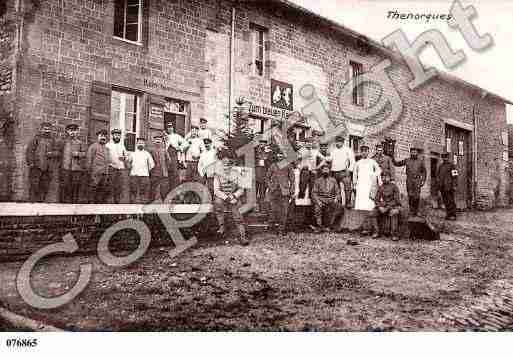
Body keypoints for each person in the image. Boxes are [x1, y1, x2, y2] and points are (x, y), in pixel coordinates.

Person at [213, 151, 248, 245]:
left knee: (238, 215)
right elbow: (216, 190)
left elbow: (241, 189)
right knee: (217, 202)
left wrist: (234, 196)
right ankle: (221, 226)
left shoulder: (237, 173)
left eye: (228, 164)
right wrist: (227, 198)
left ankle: (242, 237)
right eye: (224, 164)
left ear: (232, 165)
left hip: (234, 196)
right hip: (223, 197)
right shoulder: (217, 174)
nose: (226, 167)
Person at [26, 122, 62, 202]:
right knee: (34, 185)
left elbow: (58, 152)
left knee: (45, 185)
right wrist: (31, 163)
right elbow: (29, 151)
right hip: (36, 166)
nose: (47, 131)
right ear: (41, 129)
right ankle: (32, 202)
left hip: (47, 168)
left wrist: (52, 153)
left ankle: (41, 202)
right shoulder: (36, 139)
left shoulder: (53, 140)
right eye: (45, 129)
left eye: (49, 129)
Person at [353, 145, 381, 235]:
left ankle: (372, 228)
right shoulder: (358, 163)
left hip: (369, 186)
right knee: (362, 208)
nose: (364, 152)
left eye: (366, 151)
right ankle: (364, 228)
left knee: (369, 207)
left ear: (368, 152)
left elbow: (379, 170)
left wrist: (373, 175)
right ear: (361, 152)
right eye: (362, 151)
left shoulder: (372, 162)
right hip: (361, 186)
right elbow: (355, 174)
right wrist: (355, 185)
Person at [266, 150, 295, 235]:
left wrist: (292, 190)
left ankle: (281, 230)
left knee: (284, 211)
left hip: (285, 191)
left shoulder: (288, 165)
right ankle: (272, 227)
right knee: (274, 210)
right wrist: (271, 186)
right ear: (276, 156)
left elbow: (292, 179)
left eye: (281, 155)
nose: (280, 156)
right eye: (279, 154)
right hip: (274, 191)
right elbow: (267, 178)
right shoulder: (273, 166)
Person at [393, 147, 427, 217]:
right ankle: (411, 211)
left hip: (417, 180)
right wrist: (392, 157)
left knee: (416, 196)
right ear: (410, 153)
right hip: (409, 180)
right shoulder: (407, 160)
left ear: (417, 153)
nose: (414, 153)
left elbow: (424, 172)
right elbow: (397, 164)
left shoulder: (420, 161)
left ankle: (416, 211)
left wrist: (423, 180)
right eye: (412, 152)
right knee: (410, 196)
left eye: (415, 152)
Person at [311, 163, 343, 233]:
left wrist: (336, 198)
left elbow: (338, 192)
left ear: (329, 170)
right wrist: (318, 201)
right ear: (322, 171)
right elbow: (314, 193)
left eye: (327, 169)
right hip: (321, 199)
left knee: (339, 207)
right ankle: (319, 226)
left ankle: (331, 226)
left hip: (331, 199)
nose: (325, 171)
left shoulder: (333, 180)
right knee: (317, 208)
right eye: (324, 169)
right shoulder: (317, 181)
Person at [60, 124, 87, 203]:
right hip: (65, 168)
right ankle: (63, 205)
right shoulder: (63, 142)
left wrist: (78, 154)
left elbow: (85, 154)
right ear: (67, 131)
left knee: (75, 187)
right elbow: (59, 153)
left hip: (76, 169)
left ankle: (74, 205)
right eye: (70, 130)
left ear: (77, 132)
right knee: (65, 186)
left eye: (74, 130)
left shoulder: (80, 143)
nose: (72, 132)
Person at [373, 171, 402, 240]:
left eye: (386, 177)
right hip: (383, 206)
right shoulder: (381, 187)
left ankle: (394, 234)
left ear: (389, 178)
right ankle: (376, 232)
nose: (384, 178)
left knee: (394, 212)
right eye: (382, 177)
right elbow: (376, 199)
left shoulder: (394, 187)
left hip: (393, 206)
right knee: (373, 213)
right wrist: (380, 207)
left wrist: (387, 207)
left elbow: (396, 200)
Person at [86, 129, 112, 203]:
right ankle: (91, 209)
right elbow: (89, 159)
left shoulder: (107, 149)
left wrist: (107, 172)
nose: (103, 137)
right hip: (95, 173)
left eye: (104, 136)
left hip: (104, 174)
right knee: (93, 191)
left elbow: (107, 161)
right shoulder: (93, 147)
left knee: (102, 192)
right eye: (101, 136)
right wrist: (90, 172)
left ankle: (99, 210)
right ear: (98, 137)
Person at [331, 135, 355, 208]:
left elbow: (352, 161)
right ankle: (339, 203)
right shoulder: (333, 150)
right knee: (336, 189)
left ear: (343, 142)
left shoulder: (348, 150)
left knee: (347, 188)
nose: (338, 143)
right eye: (337, 142)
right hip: (334, 172)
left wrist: (350, 170)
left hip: (344, 172)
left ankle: (348, 203)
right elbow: (330, 159)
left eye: (340, 142)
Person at [128, 138, 155, 204]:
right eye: (139, 143)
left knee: (143, 193)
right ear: (137, 144)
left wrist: (145, 170)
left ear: (144, 144)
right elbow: (128, 163)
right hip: (134, 176)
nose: (141, 144)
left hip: (144, 176)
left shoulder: (147, 154)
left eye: (142, 143)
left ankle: (142, 210)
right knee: (133, 192)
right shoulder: (133, 154)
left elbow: (152, 165)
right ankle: (133, 209)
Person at [106, 128, 129, 203]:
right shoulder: (108, 145)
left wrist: (124, 158)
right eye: (115, 135)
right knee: (110, 186)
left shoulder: (122, 146)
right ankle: (109, 204)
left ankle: (117, 203)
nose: (117, 136)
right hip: (111, 168)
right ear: (112, 136)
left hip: (120, 169)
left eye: (118, 135)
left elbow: (126, 157)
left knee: (119, 187)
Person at [436, 152, 458, 220]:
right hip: (442, 187)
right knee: (445, 201)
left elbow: (455, 176)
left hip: (449, 186)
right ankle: (448, 214)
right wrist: (439, 184)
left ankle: (453, 215)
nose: (445, 159)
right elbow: (438, 176)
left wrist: (454, 185)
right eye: (443, 157)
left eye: (446, 157)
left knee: (451, 201)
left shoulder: (452, 166)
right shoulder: (441, 166)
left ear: (448, 158)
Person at [149, 135, 172, 202]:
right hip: (154, 174)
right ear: (153, 141)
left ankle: (164, 203)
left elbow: (168, 161)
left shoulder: (164, 150)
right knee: (153, 189)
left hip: (164, 174)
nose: (158, 141)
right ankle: (151, 203)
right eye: (156, 140)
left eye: (159, 140)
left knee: (164, 190)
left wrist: (165, 169)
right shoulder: (151, 150)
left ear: (162, 141)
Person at [164, 122, 185, 192]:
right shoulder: (164, 136)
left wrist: (180, 148)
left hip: (174, 156)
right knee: (167, 174)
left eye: (171, 127)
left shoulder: (176, 136)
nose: (170, 129)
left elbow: (186, 143)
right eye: (168, 127)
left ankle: (175, 191)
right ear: (167, 128)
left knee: (175, 174)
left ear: (173, 128)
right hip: (166, 155)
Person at [255, 137, 271, 212]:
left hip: (264, 176)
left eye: (264, 143)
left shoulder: (268, 152)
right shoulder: (255, 152)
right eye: (261, 143)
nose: (262, 145)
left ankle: (262, 209)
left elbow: (269, 164)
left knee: (262, 193)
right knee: (254, 193)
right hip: (255, 176)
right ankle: (254, 208)